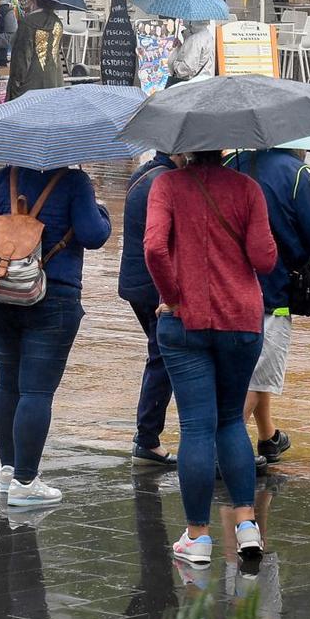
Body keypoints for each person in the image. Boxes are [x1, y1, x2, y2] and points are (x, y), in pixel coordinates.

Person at [143, 151, 277, 566]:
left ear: (183, 147)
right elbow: (265, 259)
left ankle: (198, 537)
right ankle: (247, 524)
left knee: (197, 426)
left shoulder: (166, 185)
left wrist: (171, 297)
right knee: (231, 421)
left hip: (185, 324)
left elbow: (153, 249)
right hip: (241, 320)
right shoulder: (248, 188)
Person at [0, 163, 111, 506]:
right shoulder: (75, 181)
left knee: (7, 383)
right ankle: (25, 480)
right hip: (53, 298)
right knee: (36, 390)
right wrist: (102, 212)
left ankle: (8, 471)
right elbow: (93, 235)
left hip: (0, 290)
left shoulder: (6, 177)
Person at [226, 145, 310, 465]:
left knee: (254, 368)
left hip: (228, 289)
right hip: (272, 291)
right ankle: (222, 449)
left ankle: (268, 436)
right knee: (260, 370)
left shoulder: (233, 162)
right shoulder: (298, 174)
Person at [118, 152, 178, 466]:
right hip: (153, 288)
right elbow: (160, 244)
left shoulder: (145, 173)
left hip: (136, 283)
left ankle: (148, 434)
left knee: (161, 357)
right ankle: (147, 438)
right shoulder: (164, 181)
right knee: (163, 359)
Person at [6, 0, 65, 100]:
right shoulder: (58, 22)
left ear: (34, 0)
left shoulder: (28, 22)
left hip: (30, 88)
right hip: (56, 83)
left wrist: (14, 88)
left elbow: (21, 60)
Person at [167, 20, 216, 85]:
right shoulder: (207, 35)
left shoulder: (195, 39)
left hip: (190, 85)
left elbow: (186, 69)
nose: (182, 20)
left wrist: (174, 64)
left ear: (191, 21)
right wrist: (180, 47)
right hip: (202, 82)